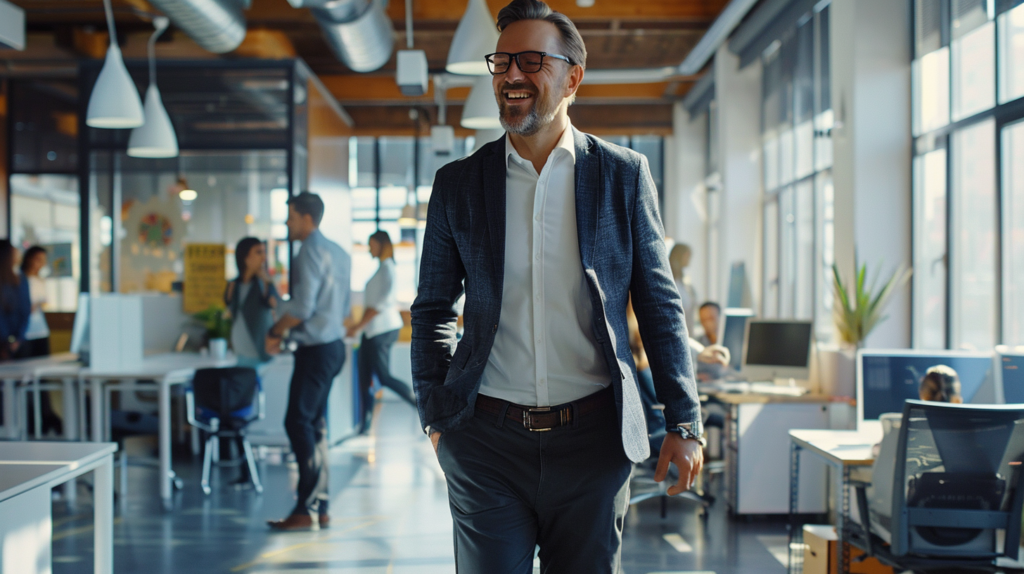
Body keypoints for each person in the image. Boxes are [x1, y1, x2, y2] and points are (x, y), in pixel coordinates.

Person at [410, 1, 703, 570]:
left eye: (530, 61)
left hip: (594, 441)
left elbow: (660, 306)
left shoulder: (622, 175)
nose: (511, 75)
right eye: (501, 62)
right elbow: (433, 309)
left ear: (573, 77)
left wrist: (683, 420)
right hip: (485, 441)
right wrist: (435, 415)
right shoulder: (458, 185)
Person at [264, 192, 351, 531]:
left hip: (315, 351)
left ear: (306, 218)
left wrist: (275, 330)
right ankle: (320, 505)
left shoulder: (308, 251)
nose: (287, 223)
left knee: (298, 422)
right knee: (314, 426)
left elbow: (302, 309)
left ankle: (305, 507)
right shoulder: (339, 253)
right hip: (332, 347)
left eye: (291, 217)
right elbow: (340, 308)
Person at [346, 230, 416, 434]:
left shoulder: (388, 269)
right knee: (364, 377)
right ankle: (365, 425)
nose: (369, 248)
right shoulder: (382, 269)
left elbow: (377, 305)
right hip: (371, 332)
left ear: (381, 244)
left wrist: (356, 327)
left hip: (382, 329)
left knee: (383, 376)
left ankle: (418, 403)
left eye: (371, 244)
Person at [20, 245, 63, 435]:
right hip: (24, 333)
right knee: (26, 378)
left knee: (42, 376)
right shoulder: (19, 280)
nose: (40, 264)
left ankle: (46, 415)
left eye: (43, 260)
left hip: (40, 331)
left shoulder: (40, 280)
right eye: (37, 259)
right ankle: (29, 420)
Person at [225, 237, 279, 369]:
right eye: (258, 252)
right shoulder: (233, 285)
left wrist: (266, 280)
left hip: (260, 354)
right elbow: (229, 308)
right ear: (245, 256)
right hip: (238, 354)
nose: (263, 257)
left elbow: (275, 304)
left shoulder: (264, 283)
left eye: (264, 252)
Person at [0, 240, 31, 361]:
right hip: (12, 342)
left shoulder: (20, 280)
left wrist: (16, 340)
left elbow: (25, 311)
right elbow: (25, 310)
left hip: (13, 343)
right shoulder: (20, 280)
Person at [669, 242, 698, 335]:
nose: (689, 259)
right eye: (688, 255)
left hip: (689, 330)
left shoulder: (684, 280)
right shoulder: (671, 281)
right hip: (677, 330)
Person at [696, 302, 726, 381]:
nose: (707, 323)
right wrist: (697, 376)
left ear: (721, 318)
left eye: (711, 318)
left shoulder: (734, 343)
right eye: (703, 320)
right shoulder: (696, 346)